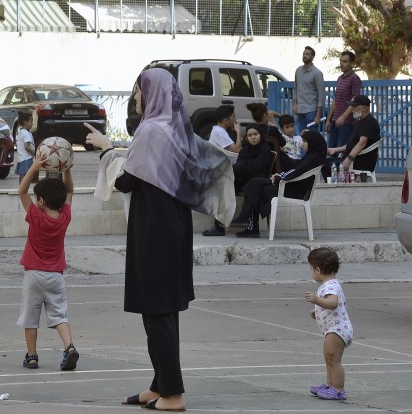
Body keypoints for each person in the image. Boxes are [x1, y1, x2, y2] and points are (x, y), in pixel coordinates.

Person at [86, 68, 233, 411]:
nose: (136, 98)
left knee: (158, 309)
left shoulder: (152, 130)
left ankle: (173, 394)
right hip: (168, 224)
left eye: (139, 91)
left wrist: (107, 148)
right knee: (159, 309)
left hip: (156, 227)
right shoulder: (172, 129)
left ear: (152, 94)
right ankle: (160, 385)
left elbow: (126, 180)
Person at [15, 152, 79, 371]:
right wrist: (66, 168)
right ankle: (69, 347)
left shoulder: (36, 216)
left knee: (30, 318)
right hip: (56, 276)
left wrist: (34, 167)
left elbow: (21, 190)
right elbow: (70, 190)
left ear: (41, 201)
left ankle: (32, 356)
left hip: (34, 275)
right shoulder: (64, 218)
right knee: (60, 315)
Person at [233, 131, 328, 238]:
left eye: (305, 142)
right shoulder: (312, 157)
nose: (302, 144)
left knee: (257, 187)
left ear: (313, 143)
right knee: (255, 182)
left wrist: (279, 178)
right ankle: (247, 220)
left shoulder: (313, 158)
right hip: (290, 186)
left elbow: (296, 172)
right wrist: (280, 176)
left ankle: (248, 222)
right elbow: (295, 170)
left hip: (293, 190)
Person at [304, 247, 353, 401]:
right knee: (329, 358)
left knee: (334, 359)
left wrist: (317, 300)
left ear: (317, 270)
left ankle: (338, 389)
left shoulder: (331, 285)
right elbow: (329, 306)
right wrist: (317, 310)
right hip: (332, 330)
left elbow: (332, 302)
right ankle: (329, 384)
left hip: (337, 330)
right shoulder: (330, 284)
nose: (311, 272)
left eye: (311, 269)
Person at [202, 104, 242, 236]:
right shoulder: (220, 132)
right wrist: (238, 131)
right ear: (226, 120)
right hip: (221, 169)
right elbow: (236, 149)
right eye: (233, 118)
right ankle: (219, 226)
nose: (235, 120)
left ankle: (219, 226)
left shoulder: (217, 130)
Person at [323, 95, 381, 180]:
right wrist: (335, 149)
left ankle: (336, 189)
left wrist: (349, 158)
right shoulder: (360, 122)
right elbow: (352, 144)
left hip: (360, 161)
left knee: (327, 166)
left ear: (364, 108)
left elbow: (362, 142)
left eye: (354, 107)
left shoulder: (369, 122)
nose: (352, 110)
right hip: (353, 159)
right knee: (323, 163)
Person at [324, 51, 362, 149]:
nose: (341, 64)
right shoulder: (340, 78)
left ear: (352, 64)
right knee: (331, 149)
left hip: (347, 123)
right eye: (340, 61)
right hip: (335, 121)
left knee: (342, 151)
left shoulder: (354, 78)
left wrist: (343, 117)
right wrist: (329, 119)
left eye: (345, 61)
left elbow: (355, 100)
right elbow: (336, 100)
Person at [231, 125, 276, 198]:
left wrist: (243, 167)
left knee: (238, 167)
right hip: (244, 179)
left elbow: (256, 169)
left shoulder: (265, 150)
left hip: (257, 179)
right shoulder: (245, 150)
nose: (253, 137)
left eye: (255, 134)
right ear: (247, 137)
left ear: (260, 135)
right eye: (250, 135)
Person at [293, 46, 325, 134]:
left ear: (312, 57)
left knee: (311, 136)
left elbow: (321, 94)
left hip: (311, 110)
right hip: (300, 110)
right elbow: (296, 88)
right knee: (302, 136)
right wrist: (295, 105)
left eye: (307, 54)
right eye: (303, 54)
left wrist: (318, 114)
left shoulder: (317, 73)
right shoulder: (298, 70)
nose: (304, 56)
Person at [14, 111, 36, 178]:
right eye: (31, 121)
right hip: (27, 158)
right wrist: (35, 153)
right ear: (25, 122)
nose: (32, 123)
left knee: (23, 176)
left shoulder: (21, 132)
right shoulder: (26, 134)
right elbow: (27, 147)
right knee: (27, 177)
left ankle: (21, 188)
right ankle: (23, 188)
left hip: (22, 158)